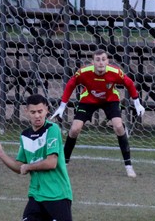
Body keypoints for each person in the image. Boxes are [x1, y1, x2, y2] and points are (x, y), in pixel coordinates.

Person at [50, 49, 145, 178]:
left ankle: (129, 167)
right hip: (88, 99)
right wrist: (62, 106)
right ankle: (64, 165)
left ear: (107, 61)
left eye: (103, 59)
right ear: (93, 62)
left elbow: (129, 83)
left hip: (110, 100)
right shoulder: (83, 72)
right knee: (75, 129)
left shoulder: (115, 72)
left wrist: (137, 103)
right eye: (98, 60)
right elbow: (71, 84)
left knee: (118, 127)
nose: (101, 62)